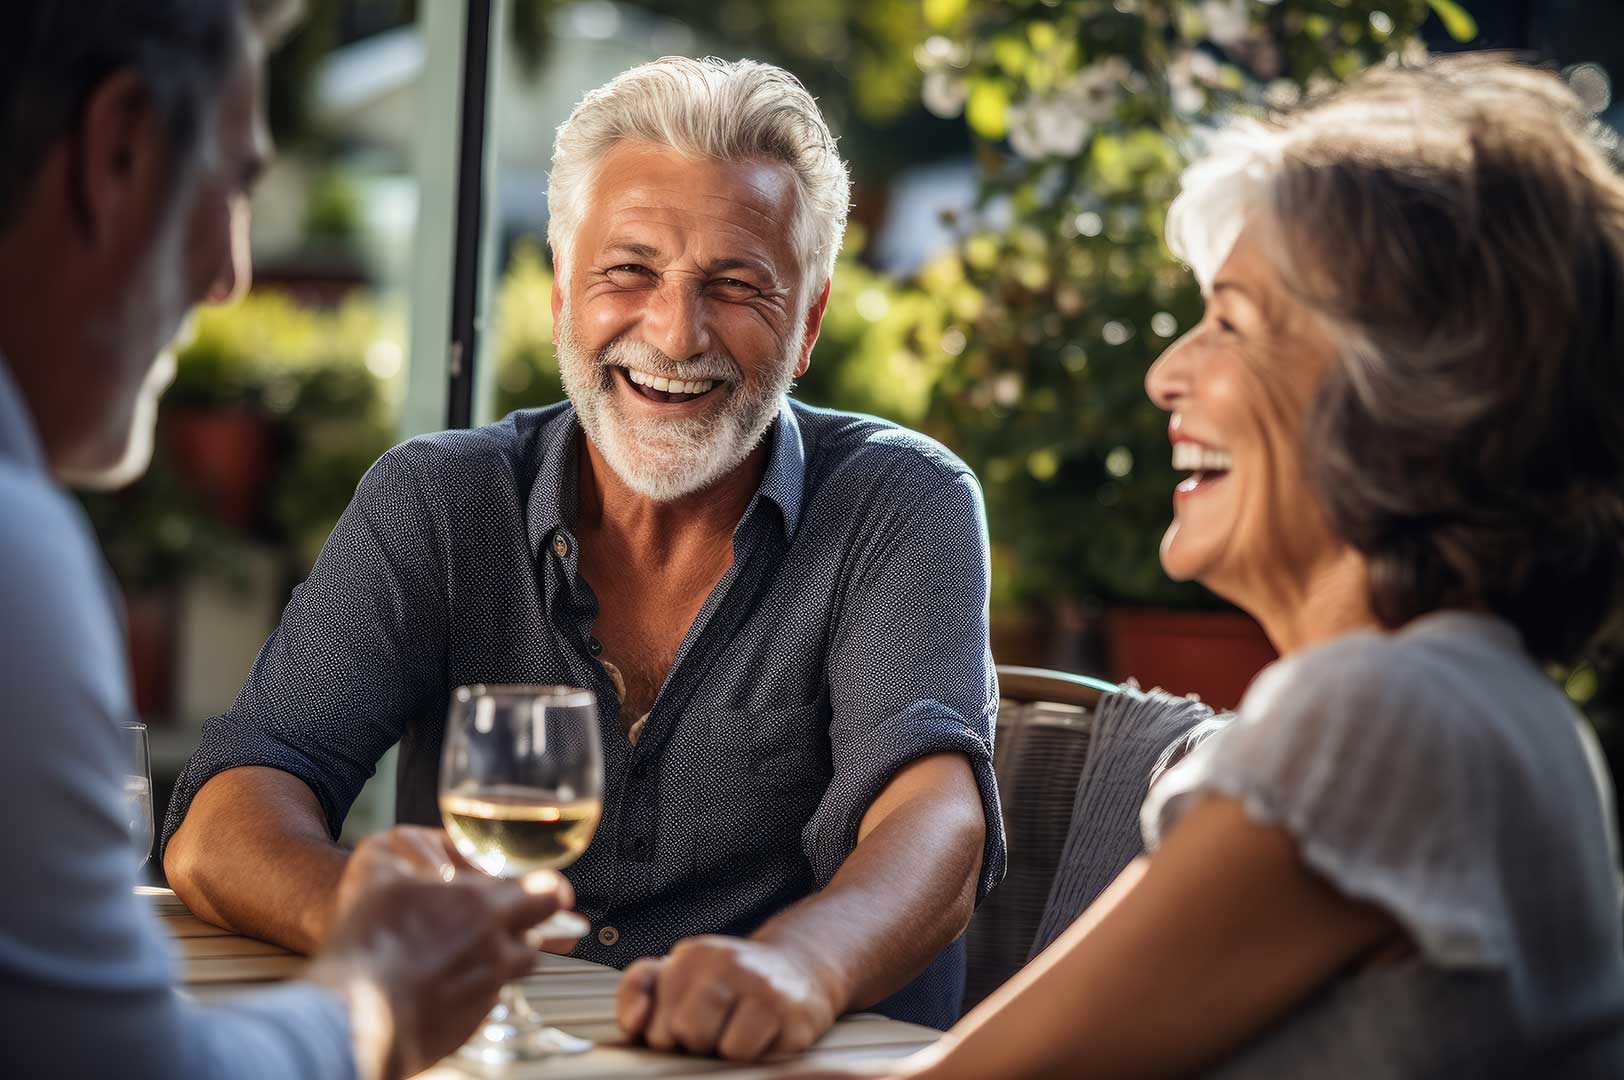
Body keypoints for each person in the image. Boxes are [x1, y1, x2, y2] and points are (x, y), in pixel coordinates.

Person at [789, 56, 1624, 1079]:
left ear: (1414, 385)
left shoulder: (1384, 715)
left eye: (1228, 321)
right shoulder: (1484, 704)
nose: (1165, 373)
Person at [162, 56, 1005, 1060]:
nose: (675, 332)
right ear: (564, 292)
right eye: (629, 271)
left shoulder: (900, 501)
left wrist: (800, 965)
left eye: (737, 287)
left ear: (809, 322)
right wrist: (369, 919)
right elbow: (226, 817)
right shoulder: (438, 500)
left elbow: (936, 824)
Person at [0, 3, 576, 1077]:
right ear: (117, 149)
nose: (229, 275)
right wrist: (377, 994)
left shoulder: (894, 502)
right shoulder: (14, 547)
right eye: (231, 186)